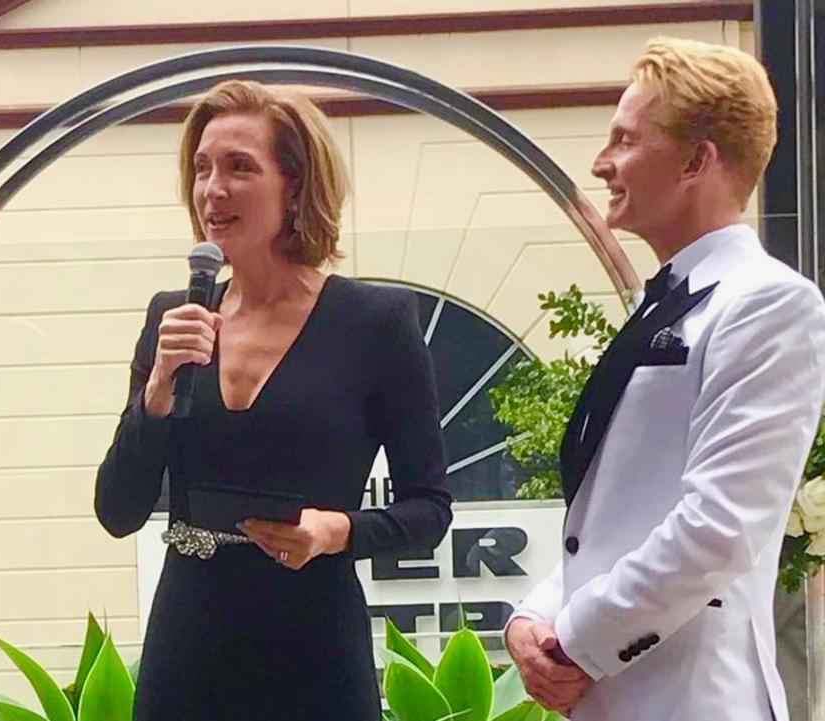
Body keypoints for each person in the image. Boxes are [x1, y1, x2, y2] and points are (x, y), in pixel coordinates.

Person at [94, 80, 452, 721]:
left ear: (294, 186)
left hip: (312, 643)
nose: (213, 190)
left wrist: (338, 530)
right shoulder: (172, 317)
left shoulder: (375, 322)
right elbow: (118, 509)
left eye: (239, 167)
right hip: (189, 642)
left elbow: (429, 508)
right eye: (201, 169)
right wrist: (157, 389)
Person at [504, 37, 825, 721]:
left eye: (625, 139)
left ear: (695, 161)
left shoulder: (768, 302)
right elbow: (612, 523)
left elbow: (720, 527)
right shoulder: (665, 302)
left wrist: (576, 640)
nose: (601, 162)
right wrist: (533, 618)